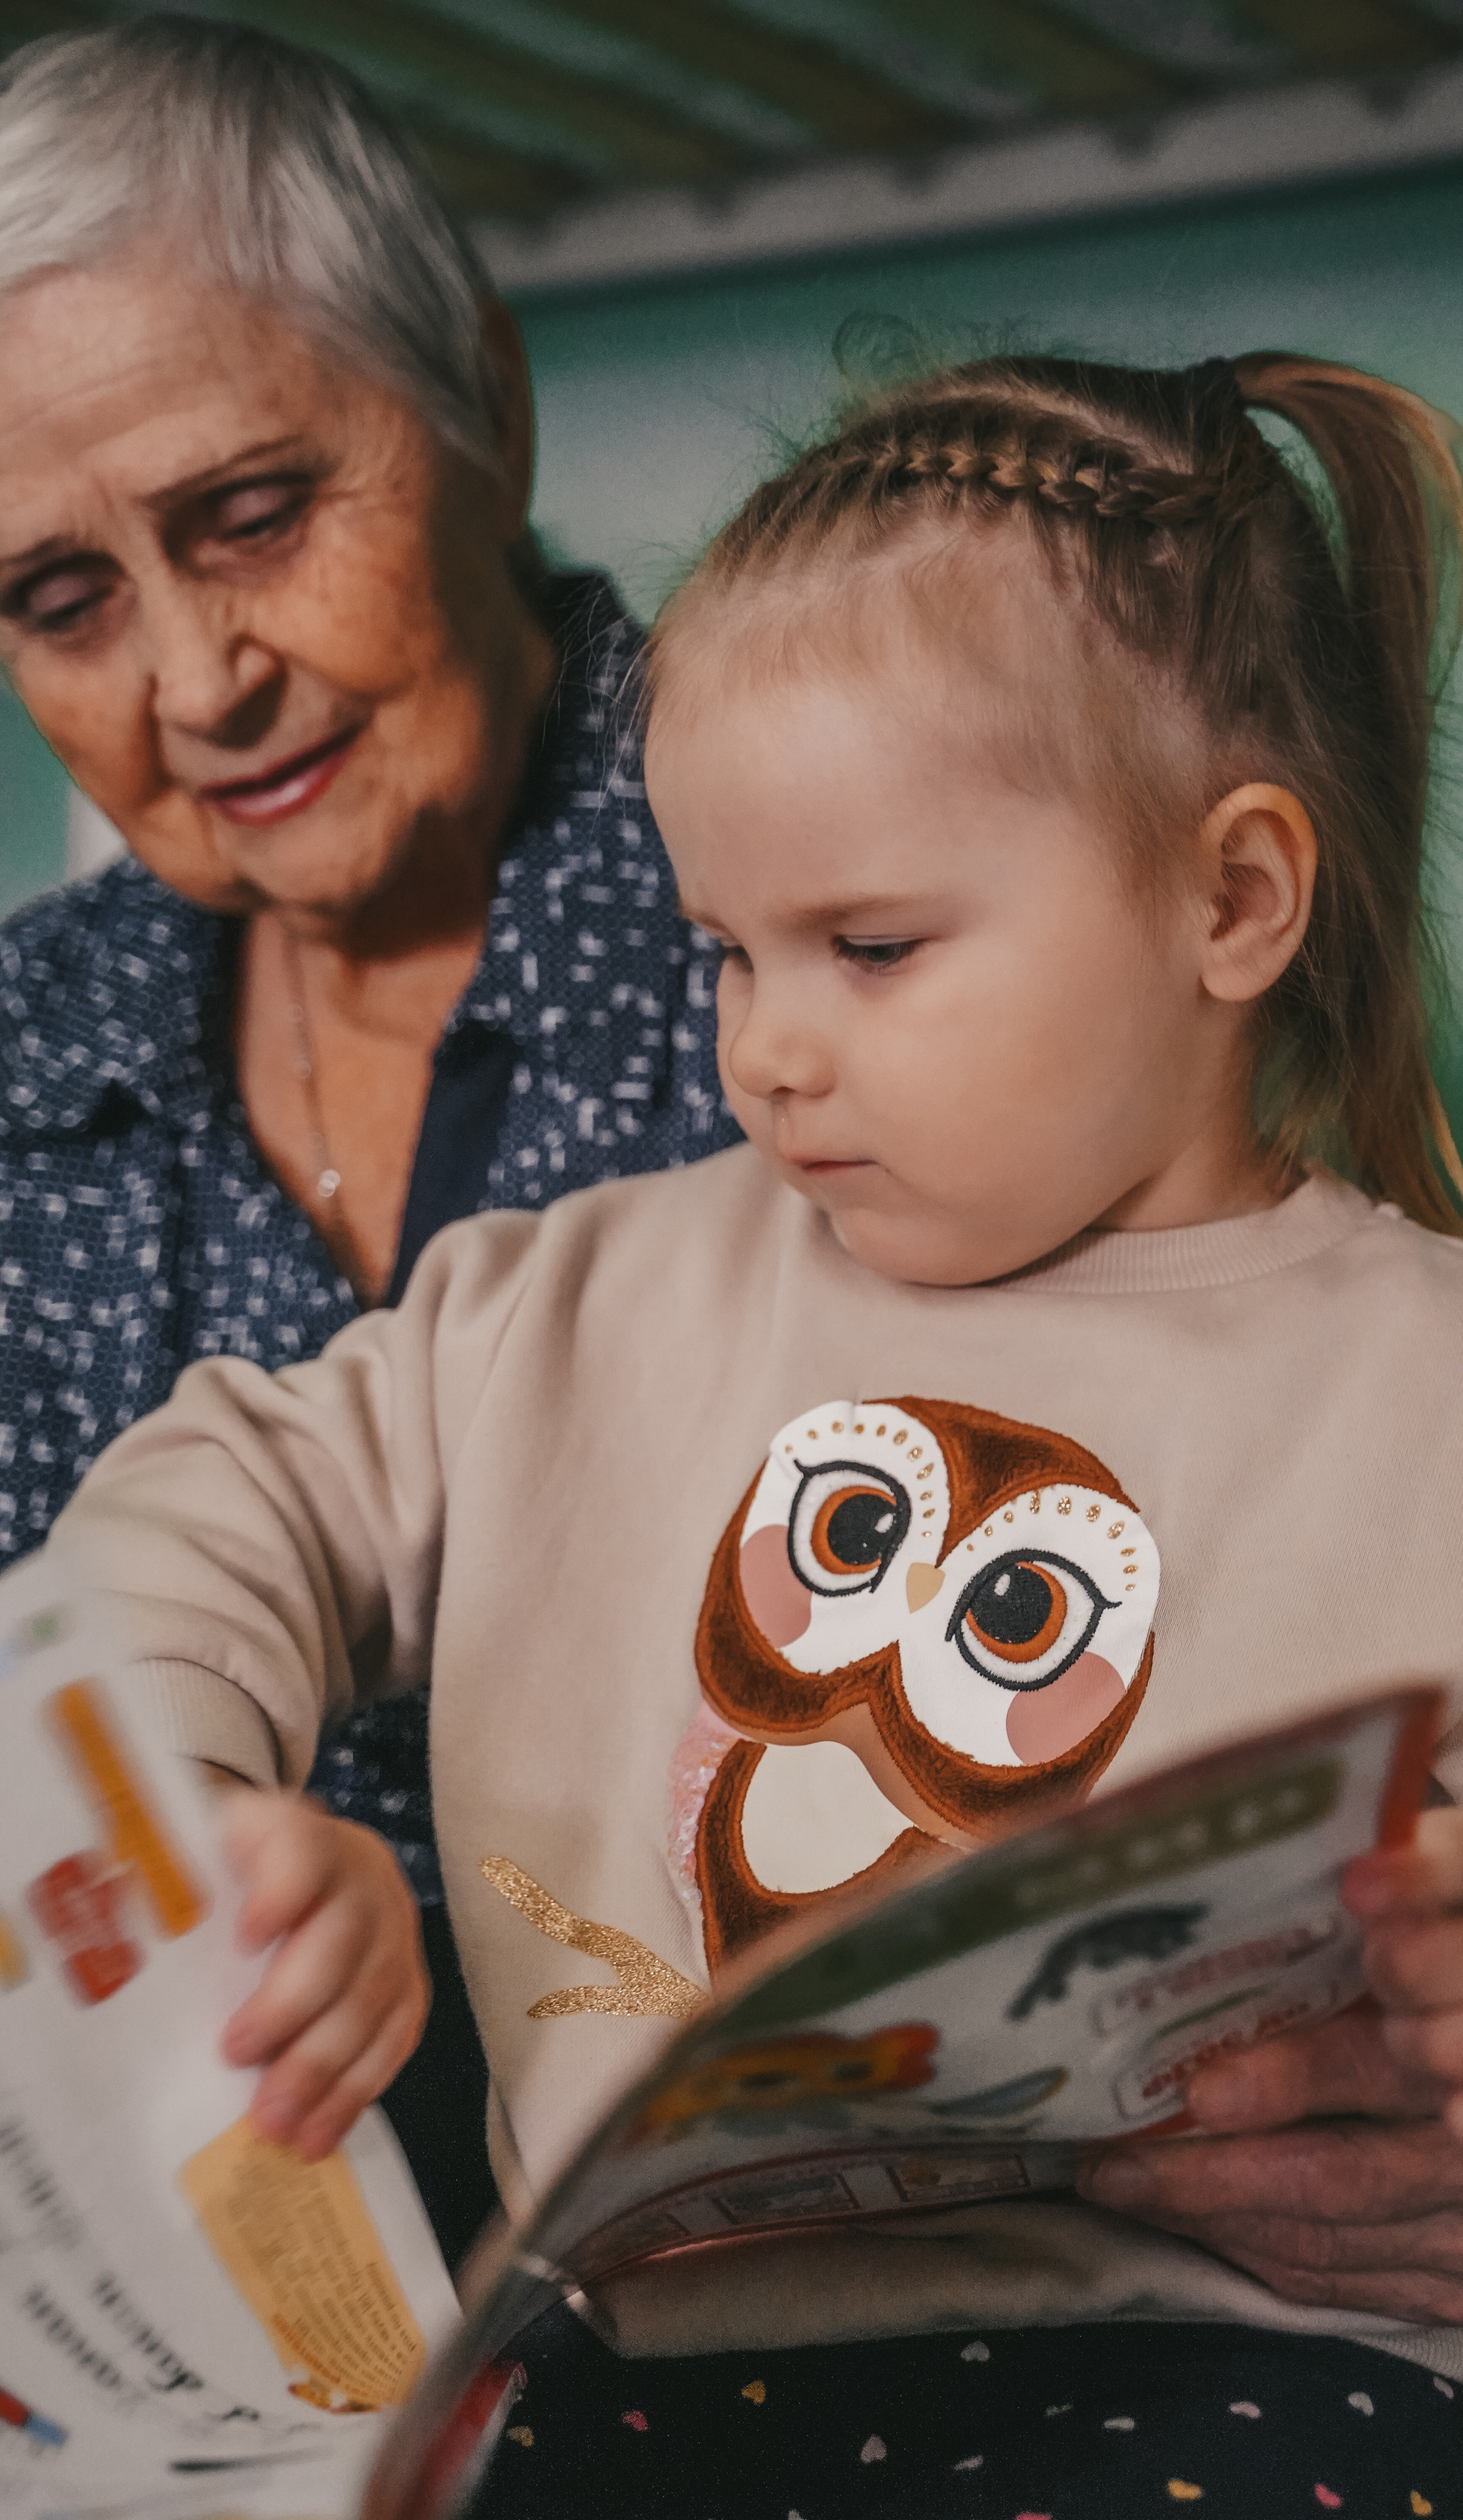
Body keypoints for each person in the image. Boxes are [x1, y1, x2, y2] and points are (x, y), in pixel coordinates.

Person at [47, 346, 1463, 2515]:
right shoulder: (570, 1303)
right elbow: (222, 1490)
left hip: (1244, 2391)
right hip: (642, 2386)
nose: (768, 1053)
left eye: (872, 947)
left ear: (1233, 903)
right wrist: (197, 1809)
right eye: (725, 953)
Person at [0, 16, 737, 2263]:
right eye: (63, 599)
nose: (202, 679)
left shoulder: (833, 907)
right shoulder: (28, 1057)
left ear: (480, 408)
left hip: (726, 2222)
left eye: (254, 515)